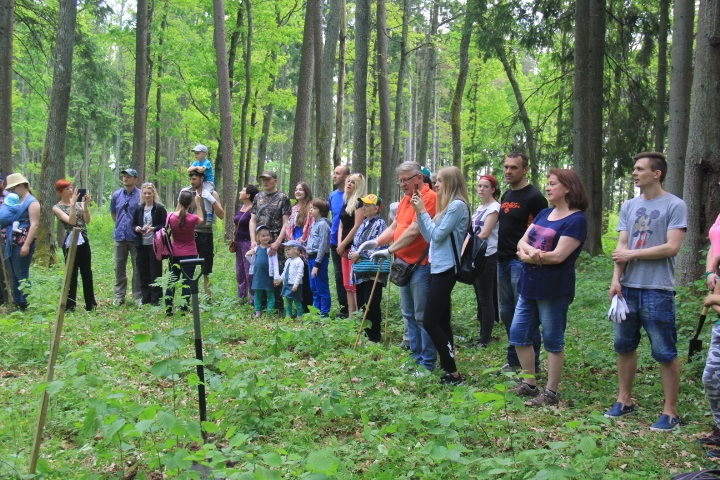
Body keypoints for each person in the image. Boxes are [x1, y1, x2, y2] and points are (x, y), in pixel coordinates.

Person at [605, 151, 687, 432]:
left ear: (657, 173)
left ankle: (670, 411)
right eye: (634, 168)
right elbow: (621, 247)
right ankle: (624, 399)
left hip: (657, 288)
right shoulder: (629, 206)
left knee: (664, 350)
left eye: (640, 169)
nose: (634, 173)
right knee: (624, 346)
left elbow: (671, 247)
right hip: (628, 288)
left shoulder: (675, 205)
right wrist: (616, 280)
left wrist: (634, 254)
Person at [508, 169, 588, 406]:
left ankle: (551, 392)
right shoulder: (544, 213)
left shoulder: (576, 220)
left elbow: (558, 257)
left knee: (553, 339)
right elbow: (522, 241)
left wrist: (527, 256)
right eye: (548, 183)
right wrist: (530, 252)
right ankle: (530, 383)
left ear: (568, 188)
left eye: (553, 184)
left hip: (554, 288)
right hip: (529, 285)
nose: (548, 187)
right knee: (518, 334)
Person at [371, 161, 438, 374]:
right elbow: (395, 226)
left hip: (420, 264)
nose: (403, 184)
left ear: (419, 178)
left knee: (422, 315)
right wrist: (376, 242)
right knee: (408, 313)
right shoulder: (406, 200)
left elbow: (414, 231)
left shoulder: (430, 198)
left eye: (406, 180)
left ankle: (427, 362)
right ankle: (415, 357)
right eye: (400, 180)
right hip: (403, 264)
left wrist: (388, 251)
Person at [411, 166, 470, 385]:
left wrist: (422, 212)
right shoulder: (446, 207)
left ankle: (453, 372)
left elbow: (436, 234)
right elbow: (429, 236)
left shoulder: (456, 206)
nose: (436, 184)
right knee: (443, 322)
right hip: (438, 267)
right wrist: (421, 212)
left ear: (451, 182)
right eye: (435, 181)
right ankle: (448, 369)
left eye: (440, 181)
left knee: (429, 321)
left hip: (446, 269)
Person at [497, 152, 548, 373]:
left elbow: (543, 232)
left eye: (514, 168)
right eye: (506, 167)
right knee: (506, 312)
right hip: (502, 261)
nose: (508, 171)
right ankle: (514, 360)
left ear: (525, 169)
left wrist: (531, 256)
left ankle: (532, 365)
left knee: (524, 313)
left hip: (522, 263)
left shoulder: (535, 197)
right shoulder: (506, 194)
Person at [465, 174, 501, 347]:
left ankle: (485, 339)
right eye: (480, 186)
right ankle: (481, 333)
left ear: (493, 189)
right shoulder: (479, 208)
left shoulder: (494, 208)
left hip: (488, 256)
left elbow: (484, 233)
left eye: (486, 186)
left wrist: (466, 246)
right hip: (476, 256)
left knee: (486, 298)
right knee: (479, 297)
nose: (481, 189)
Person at [248, 170, 291, 314]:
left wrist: (278, 241)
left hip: (275, 241)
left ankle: (277, 306)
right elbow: (252, 220)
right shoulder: (258, 197)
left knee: (276, 271)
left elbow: (286, 222)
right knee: (260, 269)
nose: (265, 182)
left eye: (268, 179)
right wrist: (253, 240)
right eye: (263, 179)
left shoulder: (282, 198)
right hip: (260, 242)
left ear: (275, 180)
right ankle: (261, 306)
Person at [349, 194, 390, 343]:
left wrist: (361, 254)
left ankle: (374, 337)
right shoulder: (362, 224)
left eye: (367, 205)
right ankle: (365, 334)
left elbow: (382, 245)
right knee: (361, 303)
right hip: (360, 270)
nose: (364, 208)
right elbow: (355, 244)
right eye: (363, 205)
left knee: (372, 303)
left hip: (374, 271)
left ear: (376, 208)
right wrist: (352, 255)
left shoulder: (381, 224)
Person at [52, 179, 97, 312]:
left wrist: (86, 206)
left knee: (86, 272)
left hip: (83, 239)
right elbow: (71, 222)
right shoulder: (57, 207)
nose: (71, 190)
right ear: (60, 192)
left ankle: (91, 304)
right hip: (70, 240)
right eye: (67, 189)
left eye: (71, 188)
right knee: (71, 273)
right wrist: (72, 205)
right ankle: (70, 304)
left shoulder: (79, 204)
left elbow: (87, 221)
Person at [181, 169, 225, 299]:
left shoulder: (212, 193)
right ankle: (187, 298)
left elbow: (222, 215)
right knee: (188, 267)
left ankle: (208, 297)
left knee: (207, 268)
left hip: (206, 234)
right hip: (190, 235)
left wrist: (212, 200)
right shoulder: (187, 193)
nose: (192, 182)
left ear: (202, 179)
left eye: (194, 179)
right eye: (190, 179)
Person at [1, 173, 39, 310]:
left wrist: (27, 245)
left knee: (21, 272)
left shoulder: (32, 202)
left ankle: (25, 301)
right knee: (13, 273)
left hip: (23, 242)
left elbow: (34, 224)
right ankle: (17, 300)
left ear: (22, 186)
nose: (12, 191)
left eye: (14, 188)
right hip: (12, 242)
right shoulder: (17, 200)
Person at [165, 190, 205, 316]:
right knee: (187, 281)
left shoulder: (171, 216)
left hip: (175, 253)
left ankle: (168, 308)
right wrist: (198, 203)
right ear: (190, 203)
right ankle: (183, 308)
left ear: (179, 201)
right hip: (190, 253)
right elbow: (202, 219)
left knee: (172, 279)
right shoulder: (193, 219)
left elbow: (171, 221)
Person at [110, 168, 142, 306]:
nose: (125, 178)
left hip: (135, 237)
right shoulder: (116, 195)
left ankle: (138, 296)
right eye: (124, 176)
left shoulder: (141, 195)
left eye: (129, 176)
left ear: (135, 179)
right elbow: (113, 214)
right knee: (119, 267)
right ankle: (119, 296)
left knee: (137, 268)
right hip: (120, 236)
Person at [132, 182, 167, 306]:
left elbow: (164, 226)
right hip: (141, 244)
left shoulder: (159, 209)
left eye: (149, 193)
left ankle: (156, 299)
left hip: (155, 245)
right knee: (143, 271)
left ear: (154, 194)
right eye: (145, 193)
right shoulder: (138, 209)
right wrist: (136, 228)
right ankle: (145, 298)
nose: (147, 195)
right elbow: (133, 224)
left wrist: (154, 228)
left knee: (155, 271)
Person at [337, 173, 367, 316]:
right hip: (344, 247)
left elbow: (357, 226)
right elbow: (341, 226)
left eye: (353, 182)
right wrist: (339, 244)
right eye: (348, 181)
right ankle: (350, 316)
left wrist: (344, 244)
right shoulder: (346, 202)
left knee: (354, 283)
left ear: (359, 186)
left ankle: (358, 317)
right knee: (347, 284)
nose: (349, 184)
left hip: (354, 247)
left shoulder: (360, 203)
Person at [329, 165, 350, 317]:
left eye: (338, 173)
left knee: (350, 275)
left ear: (346, 176)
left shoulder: (352, 196)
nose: (334, 175)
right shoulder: (332, 196)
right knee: (338, 274)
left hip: (349, 242)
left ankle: (354, 308)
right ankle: (344, 308)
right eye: (334, 173)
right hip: (334, 241)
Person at [305, 198, 332, 316]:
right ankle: (316, 312)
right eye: (311, 208)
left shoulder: (323, 225)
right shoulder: (314, 224)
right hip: (311, 258)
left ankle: (324, 314)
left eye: (314, 208)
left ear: (321, 211)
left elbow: (322, 245)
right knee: (314, 287)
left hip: (319, 259)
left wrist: (317, 264)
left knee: (322, 287)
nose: (311, 210)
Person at [247, 225, 281, 317]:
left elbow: (275, 264)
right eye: (263, 236)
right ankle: (258, 311)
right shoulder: (256, 249)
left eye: (267, 235)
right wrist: (247, 255)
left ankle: (269, 312)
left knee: (270, 294)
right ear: (258, 237)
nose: (266, 237)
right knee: (258, 293)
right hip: (258, 275)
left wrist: (276, 277)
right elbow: (252, 262)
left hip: (268, 275)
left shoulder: (271, 249)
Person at [234, 184, 259, 304]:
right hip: (238, 242)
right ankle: (242, 296)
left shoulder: (254, 209)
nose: (240, 192)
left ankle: (254, 298)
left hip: (248, 243)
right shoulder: (241, 206)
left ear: (248, 195)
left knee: (249, 271)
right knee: (239, 271)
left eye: (242, 190)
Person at [189, 144, 216, 225]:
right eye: (195, 153)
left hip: (208, 182)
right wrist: (196, 167)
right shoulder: (196, 162)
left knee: (205, 195)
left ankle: (209, 215)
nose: (196, 155)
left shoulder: (207, 162)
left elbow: (201, 170)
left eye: (198, 153)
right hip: (201, 182)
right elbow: (189, 169)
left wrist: (196, 168)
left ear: (204, 154)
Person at [280, 240, 305, 318]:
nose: (287, 251)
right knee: (288, 301)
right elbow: (285, 272)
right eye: (286, 250)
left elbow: (300, 274)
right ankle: (288, 315)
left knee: (297, 301)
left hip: (295, 285)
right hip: (287, 284)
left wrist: (296, 285)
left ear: (296, 250)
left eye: (289, 249)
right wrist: (280, 279)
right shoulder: (288, 261)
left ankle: (299, 316)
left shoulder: (299, 261)